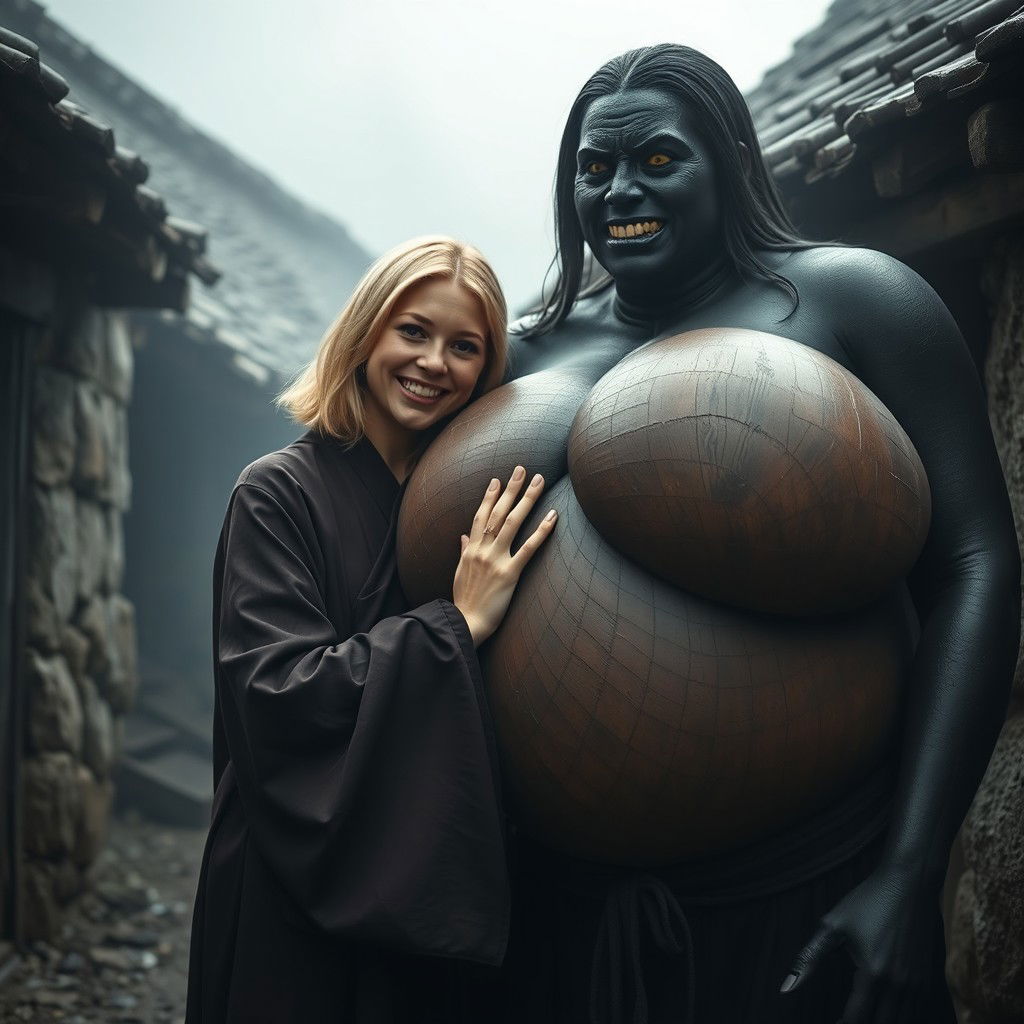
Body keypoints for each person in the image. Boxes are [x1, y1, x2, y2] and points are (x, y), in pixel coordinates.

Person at [499, 45, 1020, 1024]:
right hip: (563, 915)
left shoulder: (855, 304)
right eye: (592, 167)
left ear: (731, 161)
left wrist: (911, 870)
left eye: (657, 160)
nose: (619, 191)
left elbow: (974, 563)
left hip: (806, 889)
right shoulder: (524, 351)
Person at [185, 236, 558, 1023]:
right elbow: (275, 690)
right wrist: (454, 626)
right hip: (287, 876)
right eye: (413, 331)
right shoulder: (275, 493)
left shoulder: (468, 503)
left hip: (421, 868)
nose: (433, 363)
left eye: (466, 347)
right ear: (366, 333)